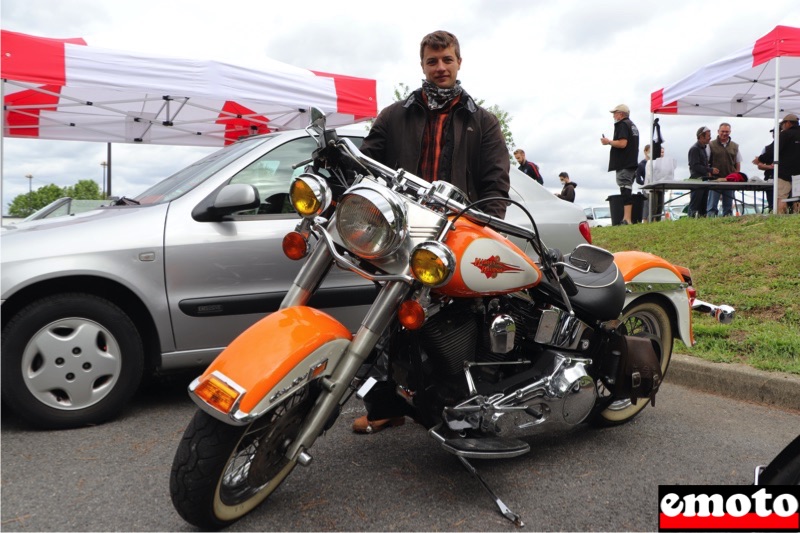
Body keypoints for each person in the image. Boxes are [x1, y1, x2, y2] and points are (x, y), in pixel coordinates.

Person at [352, 30, 511, 434]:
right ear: (422, 65)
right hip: (401, 236)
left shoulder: (482, 121)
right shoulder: (393, 115)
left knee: (451, 325)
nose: (440, 67)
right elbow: (366, 168)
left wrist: (481, 228)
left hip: (453, 237)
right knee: (385, 325)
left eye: (447, 60)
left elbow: (495, 185)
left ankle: (460, 406)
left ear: (459, 62)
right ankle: (384, 407)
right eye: (432, 61)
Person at [601, 104, 639, 225]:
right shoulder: (632, 125)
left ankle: (627, 219)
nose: (613, 116)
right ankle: (626, 218)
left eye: (615, 113)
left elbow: (622, 143)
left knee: (625, 188)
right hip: (631, 162)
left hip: (624, 163)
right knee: (627, 187)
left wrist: (609, 142)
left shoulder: (622, 124)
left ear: (621, 114)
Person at [755, 113, 800, 214]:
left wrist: (761, 158)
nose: (782, 126)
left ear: (788, 123)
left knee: (781, 197)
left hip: (784, 173)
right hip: (799, 174)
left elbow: (773, 151)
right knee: (798, 198)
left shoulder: (785, 134)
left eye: (783, 123)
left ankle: (780, 220)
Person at [706, 122, 741, 216]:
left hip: (729, 180)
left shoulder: (735, 146)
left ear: (730, 132)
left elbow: (738, 162)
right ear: (718, 131)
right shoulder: (710, 145)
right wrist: (709, 173)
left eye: (727, 131)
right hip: (715, 180)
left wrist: (737, 175)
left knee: (728, 206)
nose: (724, 133)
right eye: (723, 131)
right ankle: (710, 222)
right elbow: (706, 161)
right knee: (712, 206)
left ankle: (728, 223)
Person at [687, 126, 717, 217]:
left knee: (703, 206)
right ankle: (690, 222)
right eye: (708, 136)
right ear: (701, 137)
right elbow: (694, 165)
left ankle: (702, 222)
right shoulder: (695, 149)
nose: (710, 138)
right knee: (695, 205)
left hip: (703, 180)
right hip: (697, 180)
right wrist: (710, 170)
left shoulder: (703, 148)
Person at [752, 128, 775, 212]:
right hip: (770, 179)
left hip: (786, 179)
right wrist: (770, 167)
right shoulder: (767, 148)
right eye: (774, 133)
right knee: (772, 205)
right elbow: (759, 165)